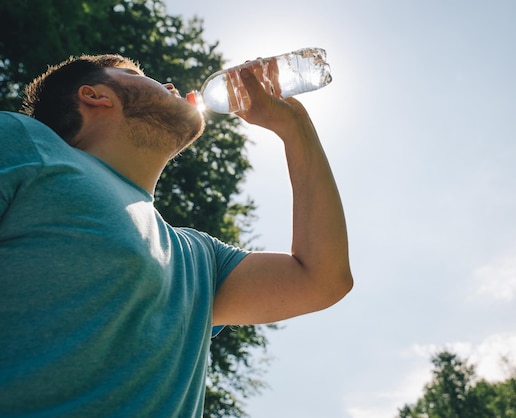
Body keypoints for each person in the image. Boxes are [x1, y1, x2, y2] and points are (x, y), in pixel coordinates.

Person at [0, 54, 353, 417]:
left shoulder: (199, 258)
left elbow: (321, 278)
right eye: (138, 74)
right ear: (95, 96)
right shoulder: (24, 141)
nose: (169, 85)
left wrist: (295, 127)